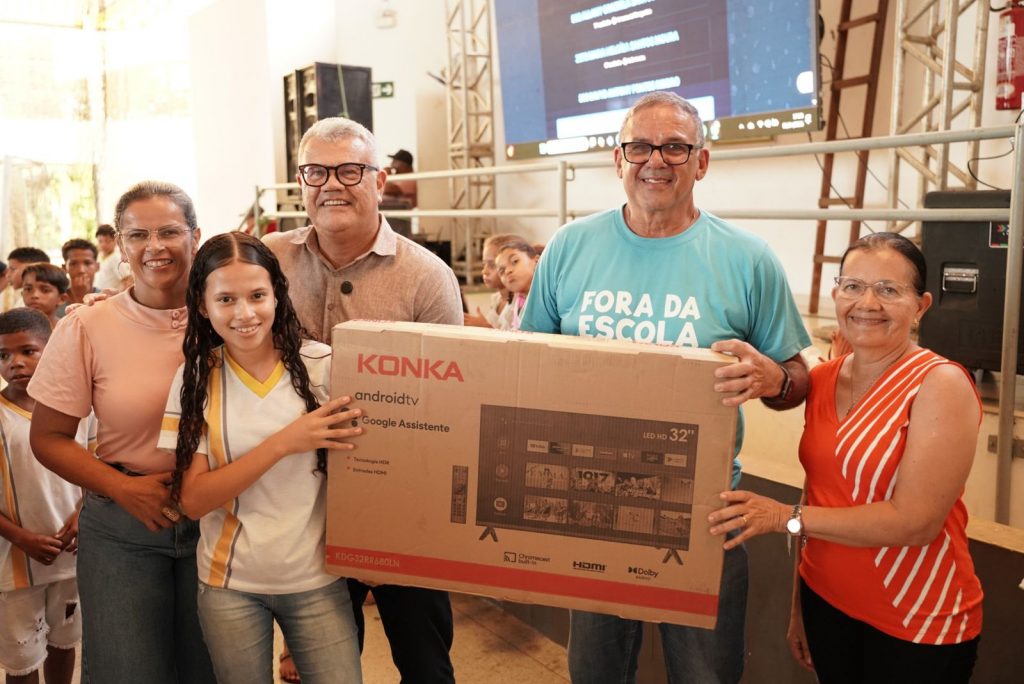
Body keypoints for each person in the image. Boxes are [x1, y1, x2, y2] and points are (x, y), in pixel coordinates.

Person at [519, 91, 812, 684]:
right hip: (590, 507)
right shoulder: (570, 247)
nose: (656, 160)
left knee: (706, 675)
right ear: (618, 159)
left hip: (703, 515)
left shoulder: (748, 259)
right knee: (596, 673)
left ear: (701, 161)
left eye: (675, 147)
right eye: (640, 147)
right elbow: (527, 366)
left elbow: (797, 380)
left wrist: (773, 377)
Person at [708, 233, 983, 683]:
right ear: (836, 295)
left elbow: (916, 522)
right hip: (826, 603)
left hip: (915, 619)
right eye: (853, 286)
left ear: (921, 306)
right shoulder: (824, 379)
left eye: (888, 290)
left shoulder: (940, 384)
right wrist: (799, 606)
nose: (867, 303)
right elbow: (816, 492)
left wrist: (782, 517)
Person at [264, 116, 461, 684]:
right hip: (299, 500)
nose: (332, 184)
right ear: (300, 182)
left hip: (403, 502)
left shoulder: (426, 276)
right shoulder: (267, 260)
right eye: (316, 172)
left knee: (425, 662)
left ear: (380, 181)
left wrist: (398, 519)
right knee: (319, 665)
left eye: (350, 170)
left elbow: (451, 406)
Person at [27, 181, 216, 684]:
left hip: (220, 519)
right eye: (138, 235)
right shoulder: (88, 325)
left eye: (169, 232)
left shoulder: (229, 317)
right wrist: (123, 489)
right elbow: (48, 438)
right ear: (121, 246)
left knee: (211, 669)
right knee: (127, 669)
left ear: (195, 236)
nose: (155, 247)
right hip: (123, 525)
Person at [159, 232, 364, 683]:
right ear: (202, 306)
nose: (245, 314)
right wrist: (284, 442)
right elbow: (192, 500)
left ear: (277, 295)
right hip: (230, 587)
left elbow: (369, 468)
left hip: (317, 580)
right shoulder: (195, 378)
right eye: (225, 299)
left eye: (257, 296)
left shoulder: (323, 366)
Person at [0, 308, 93, 684]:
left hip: (71, 554)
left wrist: (81, 515)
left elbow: (101, 467)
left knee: (64, 643)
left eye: (28, 351)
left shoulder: (79, 408)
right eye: (3, 355)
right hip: (15, 562)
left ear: (51, 349)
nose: (15, 363)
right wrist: (21, 537)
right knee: (22, 659)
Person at [464, 233, 519, 330]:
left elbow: (511, 338)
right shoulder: (496, 299)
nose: (484, 271)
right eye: (484, 264)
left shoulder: (518, 304)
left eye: (492, 265)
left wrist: (485, 326)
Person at [494, 239, 539, 331]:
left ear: (536, 261)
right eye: (502, 271)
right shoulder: (513, 305)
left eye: (515, 261)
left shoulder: (552, 297)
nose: (507, 271)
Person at [4, 248, 50, 313]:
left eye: (12, 269)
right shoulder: (21, 300)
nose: (7, 275)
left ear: (31, 269)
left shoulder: (37, 302)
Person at [61, 238, 100, 307]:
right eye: (73, 264)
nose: (81, 270)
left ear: (97, 266)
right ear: (64, 268)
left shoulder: (105, 298)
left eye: (87, 263)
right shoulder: (55, 302)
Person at [93, 224, 124, 292]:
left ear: (115, 241)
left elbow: (126, 280)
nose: (103, 245)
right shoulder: (100, 255)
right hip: (97, 293)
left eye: (107, 241)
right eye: (100, 241)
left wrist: (114, 295)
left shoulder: (117, 258)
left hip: (109, 296)